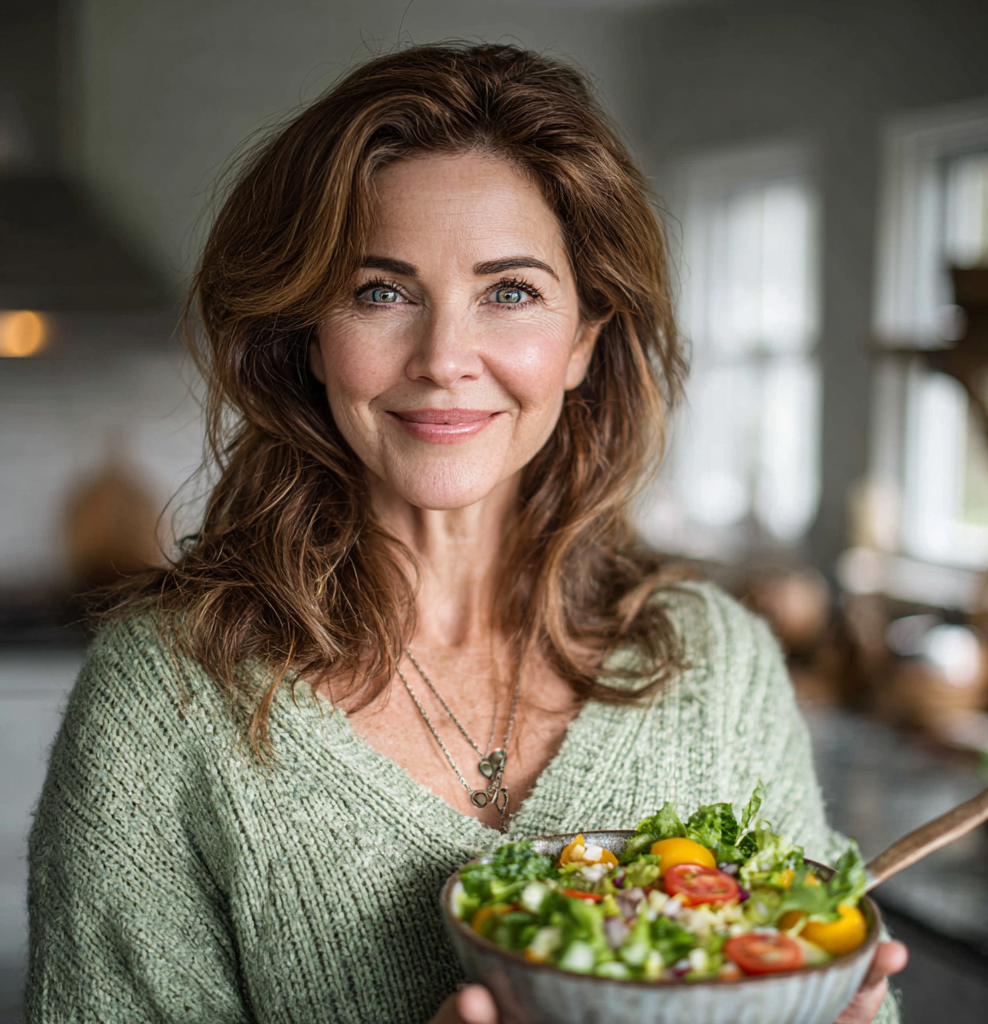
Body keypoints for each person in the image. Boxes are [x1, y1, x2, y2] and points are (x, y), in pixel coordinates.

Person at [26, 43, 905, 1024]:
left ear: (583, 340)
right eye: (381, 291)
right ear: (307, 334)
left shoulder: (719, 662)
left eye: (511, 292)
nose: (445, 359)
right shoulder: (167, 696)